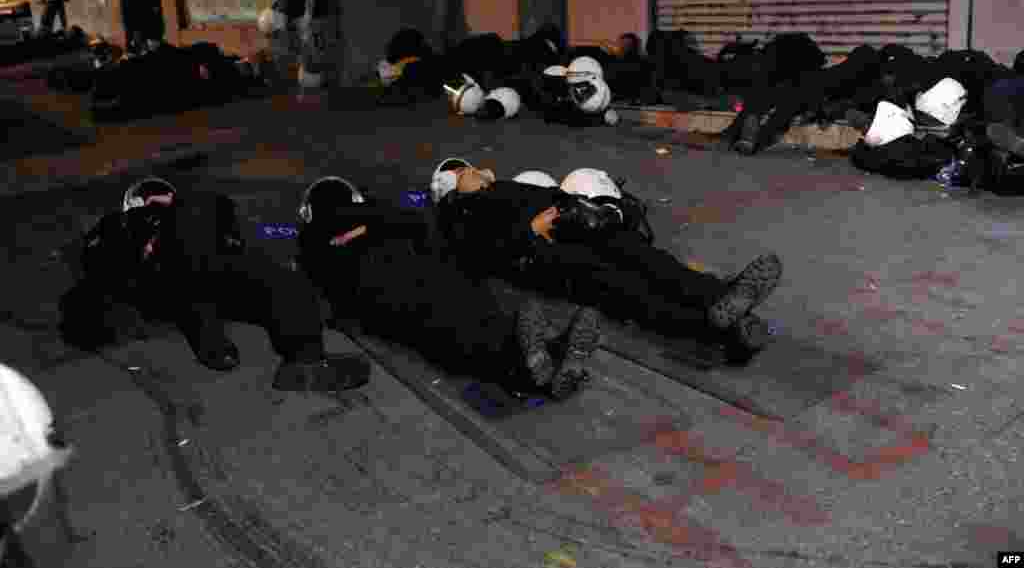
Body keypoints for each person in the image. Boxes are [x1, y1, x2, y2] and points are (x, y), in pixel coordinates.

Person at [431, 159, 783, 363]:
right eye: (464, 172)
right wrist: (531, 232)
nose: (474, 170)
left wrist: (595, 211)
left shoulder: (505, 187)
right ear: (451, 189)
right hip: (551, 256)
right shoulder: (466, 215)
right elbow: (488, 253)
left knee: (648, 261)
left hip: (576, 229)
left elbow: (560, 197)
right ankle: (724, 324)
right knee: (631, 289)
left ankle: (721, 300)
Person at [294, 176, 602, 399]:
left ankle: (542, 361)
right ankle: (537, 364)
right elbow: (415, 226)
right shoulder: (349, 229)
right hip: (400, 286)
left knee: (457, 322)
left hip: (401, 286)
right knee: (459, 320)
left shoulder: (319, 242)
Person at [58, 177, 370, 393]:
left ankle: (295, 361)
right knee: (265, 284)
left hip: (193, 278)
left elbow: (240, 243)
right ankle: (222, 340)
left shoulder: (195, 223)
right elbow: (96, 261)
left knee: (280, 284)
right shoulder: (121, 226)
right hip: (167, 279)